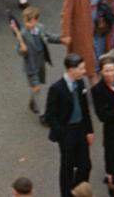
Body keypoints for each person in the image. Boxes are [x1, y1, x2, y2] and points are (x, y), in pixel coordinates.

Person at [44, 54, 94, 197]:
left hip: (80, 128)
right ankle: (66, 194)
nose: (84, 71)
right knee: (67, 166)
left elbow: (85, 109)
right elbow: (50, 116)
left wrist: (89, 130)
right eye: (81, 68)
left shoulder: (80, 83)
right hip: (67, 131)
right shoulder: (56, 88)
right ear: (71, 69)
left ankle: (79, 192)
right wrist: (62, 135)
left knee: (85, 165)